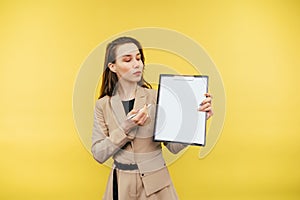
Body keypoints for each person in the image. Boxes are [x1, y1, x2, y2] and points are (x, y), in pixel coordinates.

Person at [91, 36, 213, 200]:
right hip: (120, 186)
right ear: (112, 66)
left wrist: (197, 120)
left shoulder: (157, 98)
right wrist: (125, 127)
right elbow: (99, 154)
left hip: (157, 186)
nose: (136, 64)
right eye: (127, 60)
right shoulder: (103, 105)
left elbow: (173, 146)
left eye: (139, 58)